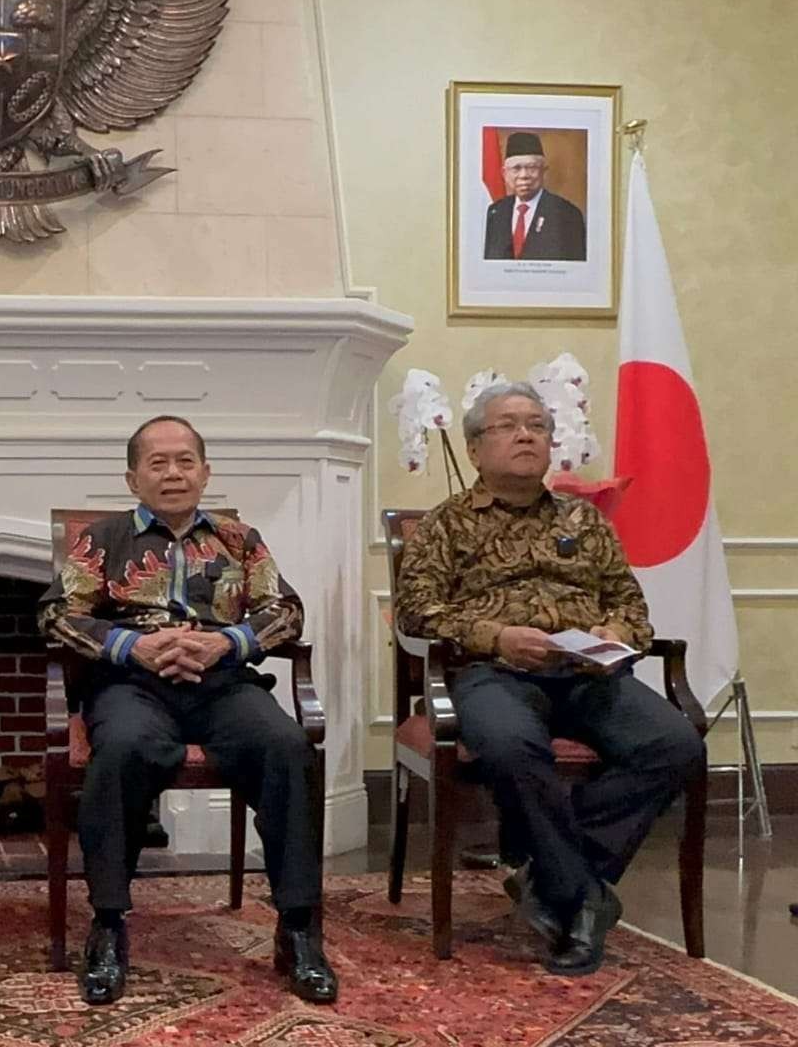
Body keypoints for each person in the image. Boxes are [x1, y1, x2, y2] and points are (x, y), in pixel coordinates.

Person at [395, 381, 704, 976]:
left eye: (536, 424)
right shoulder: (447, 524)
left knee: (676, 744)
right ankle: (581, 897)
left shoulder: (582, 520)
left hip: (588, 674)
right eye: (508, 425)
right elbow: (419, 612)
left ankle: (551, 877)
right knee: (511, 746)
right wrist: (498, 636)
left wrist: (612, 636)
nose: (526, 435)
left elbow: (632, 607)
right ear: (476, 446)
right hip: (493, 672)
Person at [38, 416, 336, 1007]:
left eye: (185, 461)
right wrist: (136, 646)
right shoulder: (101, 538)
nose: (172, 473)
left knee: (286, 748)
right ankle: (108, 922)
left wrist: (226, 643)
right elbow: (56, 615)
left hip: (222, 682)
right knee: (122, 750)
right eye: (157, 463)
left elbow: (286, 611)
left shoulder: (238, 538)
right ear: (132, 478)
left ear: (205, 472)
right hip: (131, 685)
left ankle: (298, 927)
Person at [483, 131, 586, 261]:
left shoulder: (566, 214)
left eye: (531, 168)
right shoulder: (495, 212)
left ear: (543, 170)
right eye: (516, 168)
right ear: (504, 173)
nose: (524, 175)